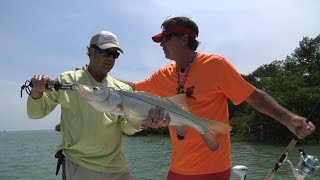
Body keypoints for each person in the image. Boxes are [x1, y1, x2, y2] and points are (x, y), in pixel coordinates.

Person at [125, 16, 316, 179]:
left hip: (214, 169)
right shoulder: (163, 74)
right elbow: (131, 89)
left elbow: (253, 96)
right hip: (178, 169)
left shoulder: (215, 65)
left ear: (183, 39)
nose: (161, 44)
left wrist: (289, 118)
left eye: (165, 38)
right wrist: (99, 77)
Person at [26, 31, 143, 180]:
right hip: (78, 165)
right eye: (106, 52)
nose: (111, 59)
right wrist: (37, 92)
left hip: (117, 168)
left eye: (115, 54)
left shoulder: (122, 89)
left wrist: (141, 121)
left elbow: (126, 128)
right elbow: (36, 114)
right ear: (91, 52)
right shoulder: (66, 79)